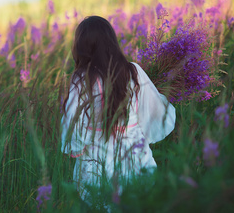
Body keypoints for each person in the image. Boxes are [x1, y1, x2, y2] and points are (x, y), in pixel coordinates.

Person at [60, 16, 176, 205]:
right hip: (137, 164)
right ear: (111, 41)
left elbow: (72, 126)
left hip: (97, 172)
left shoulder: (81, 79)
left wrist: (77, 148)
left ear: (81, 46)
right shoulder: (133, 71)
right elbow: (157, 114)